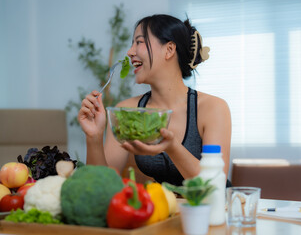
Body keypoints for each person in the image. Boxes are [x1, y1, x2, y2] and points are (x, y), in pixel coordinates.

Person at [78, 14, 232, 186]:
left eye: (139, 42)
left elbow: (214, 184)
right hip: (166, 209)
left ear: (169, 50)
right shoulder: (128, 110)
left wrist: (172, 146)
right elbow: (100, 186)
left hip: (214, 208)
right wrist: (94, 137)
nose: (129, 52)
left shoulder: (213, 108)